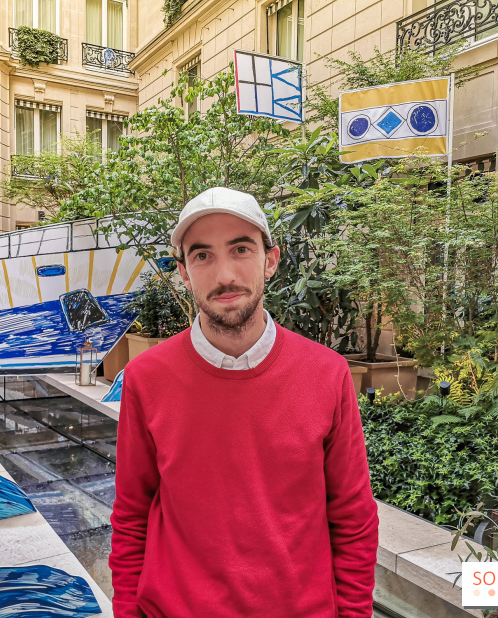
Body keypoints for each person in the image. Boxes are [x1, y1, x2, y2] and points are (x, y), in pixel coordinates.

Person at [109, 186, 379, 617]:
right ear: (182, 271)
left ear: (270, 260)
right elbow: (131, 514)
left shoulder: (327, 373)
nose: (225, 275)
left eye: (240, 249)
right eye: (203, 256)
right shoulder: (147, 378)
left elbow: (353, 519)